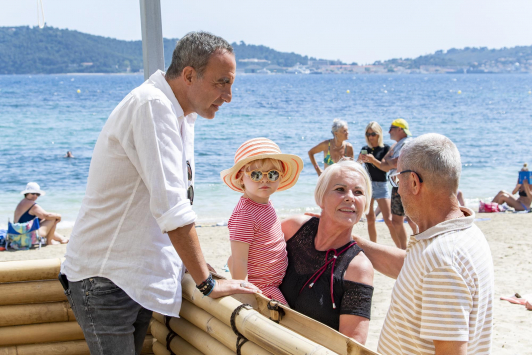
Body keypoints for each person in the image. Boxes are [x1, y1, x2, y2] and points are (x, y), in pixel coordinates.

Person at [60, 32, 260, 355]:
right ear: (189, 75)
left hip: (134, 279)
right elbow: (173, 208)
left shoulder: (181, 114)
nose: (229, 96)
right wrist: (207, 282)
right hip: (107, 279)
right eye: (222, 82)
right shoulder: (152, 105)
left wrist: (196, 267)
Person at [354, 134, 494, 355]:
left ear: (413, 182)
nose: (398, 190)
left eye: (397, 180)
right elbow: (412, 268)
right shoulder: (467, 232)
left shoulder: (441, 259)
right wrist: (353, 242)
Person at [279, 159, 374, 344]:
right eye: (340, 189)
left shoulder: (358, 268)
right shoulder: (292, 229)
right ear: (321, 198)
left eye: (358, 192)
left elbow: (352, 344)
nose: (350, 197)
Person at [221, 137, 304, 304]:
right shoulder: (245, 214)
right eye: (256, 174)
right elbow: (239, 260)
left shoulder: (264, 203)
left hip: (276, 281)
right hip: (262, 288)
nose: (265, 179)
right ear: (240, 178)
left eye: (272, 174)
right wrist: (245, 296)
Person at [377, 118, 415, 249]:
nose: (388, 131)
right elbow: (384, 164)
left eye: (391, 128)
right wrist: (389, 160)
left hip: (405, 185)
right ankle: (403, 249)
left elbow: (395, 163)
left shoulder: (407, 143)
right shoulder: (397, 144)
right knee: (397, 221)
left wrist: (389, 159)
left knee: (410, 218)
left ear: (400, 129)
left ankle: (418, 245)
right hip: (397, 185)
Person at [358, 121, 395, 243]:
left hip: (381, 185)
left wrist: (373, 160)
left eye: (373, 134)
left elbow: (385, 168)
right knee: (370, 219)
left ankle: (400, 246)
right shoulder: (365, 149)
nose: (370, 137)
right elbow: (358, 166)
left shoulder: (386, 148)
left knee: (389, 220)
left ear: (379, 134)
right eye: (368, 134)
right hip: (368, 185)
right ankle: (374, 245)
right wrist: (359, 161)